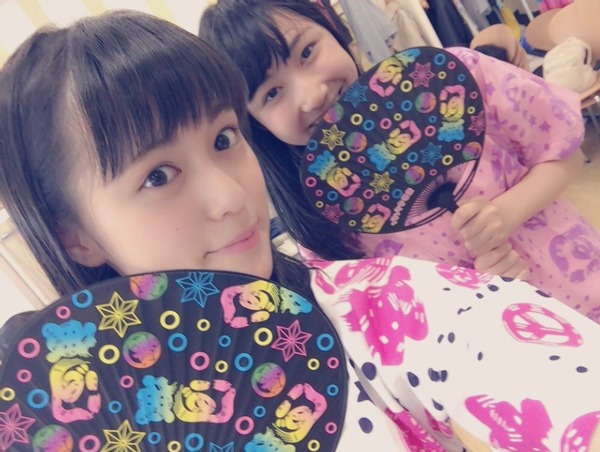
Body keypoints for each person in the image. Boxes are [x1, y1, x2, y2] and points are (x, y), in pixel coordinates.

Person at [2, 9, 600, 451]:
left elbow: (520, 362)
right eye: (158, 175)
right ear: (75, 236)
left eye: (223, 139)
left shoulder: (374, 305)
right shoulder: (76, 419)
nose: (231, 198)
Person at [198, 0, 600, 319]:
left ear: (333, 29)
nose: (311, 94)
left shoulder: (452, 81)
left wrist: (507, 212)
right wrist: (481, 293)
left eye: (307, 51)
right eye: (271, 94)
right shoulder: (320, 218)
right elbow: (398, 320)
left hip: (586, 285)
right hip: (517, 358)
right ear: (255, 124)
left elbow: (563, 151)